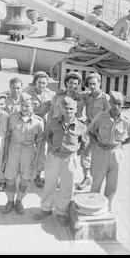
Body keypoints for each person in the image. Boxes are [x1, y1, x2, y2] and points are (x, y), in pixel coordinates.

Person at [34, 97, 88, 226]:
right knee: (49, 184)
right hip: (54, 157)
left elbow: (84, 143)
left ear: (75, 110)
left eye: (71, 109)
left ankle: (62, 212)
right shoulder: (53, 122)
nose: (68, 111)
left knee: (66, 187)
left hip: (70, 159)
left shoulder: (81, 125)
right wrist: (54, 149)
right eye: (66, 108)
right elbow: (48, 136)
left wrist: (75, 154)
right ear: (62, 109)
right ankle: (46, 209)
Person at [88, 91, 130, 211]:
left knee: (112, 183)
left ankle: (108, 205)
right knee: (97, 180)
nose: (116, 106)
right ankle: (93, 204)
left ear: (123, 104)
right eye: (113, 103)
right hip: (101, 152)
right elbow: (90, 131)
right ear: (109, 102)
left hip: (116, 153)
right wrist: (97, 142)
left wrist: (120, 144)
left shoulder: (126, 121)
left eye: (119, 103)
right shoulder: (101, 117)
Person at [3, 93, 44, 214]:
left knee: (24, 179)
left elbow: (40, 142)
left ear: (33, 107)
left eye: (27, 106)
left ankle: (19, 201)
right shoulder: (12, 117)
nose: (24, 108)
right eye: (22, 105)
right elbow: (7, 137)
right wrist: (5, 154)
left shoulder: (38, 122)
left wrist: (36, 159)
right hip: (13, 150)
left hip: (29, 152)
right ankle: (10, 201)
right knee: (10, 177)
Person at [76, 72, 109, 191]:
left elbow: (110, 117)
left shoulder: (106, 99)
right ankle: (87, 177)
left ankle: (97, 182)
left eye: (94, 84)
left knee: (98, 156)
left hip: (100, 130)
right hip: (88, 127)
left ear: (99, 83)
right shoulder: (87, 95)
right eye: (89, 84)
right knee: (85, 152)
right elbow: (74, 94)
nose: (92, 86)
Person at [25, 72, 55, 188]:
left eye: (44, 83)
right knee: (28, 147)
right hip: (31, 122)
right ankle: (26, 172)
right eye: (39, 83)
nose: (41, 85)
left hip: (44, 124)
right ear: (35, 83)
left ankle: (38, 174)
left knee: (41, 150)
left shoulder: (51, 95)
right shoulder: (28, 93)